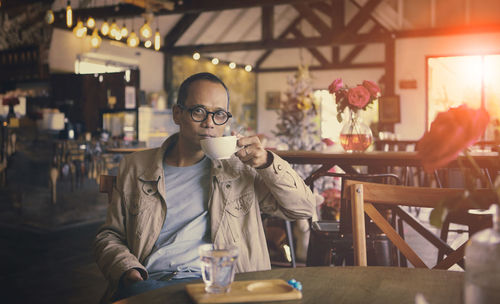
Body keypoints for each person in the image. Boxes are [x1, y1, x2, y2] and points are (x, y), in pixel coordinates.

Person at [94, 72, 315, 303]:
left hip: (227, 286)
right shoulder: (136, 166)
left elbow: (303, 209)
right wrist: (129, 272)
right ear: (177, 114)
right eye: (198, 111)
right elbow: (109, 235)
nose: (209, 122)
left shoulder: (241, 168)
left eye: (219, 114)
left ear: (226, 120)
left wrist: (268, 163)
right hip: (153, 283)